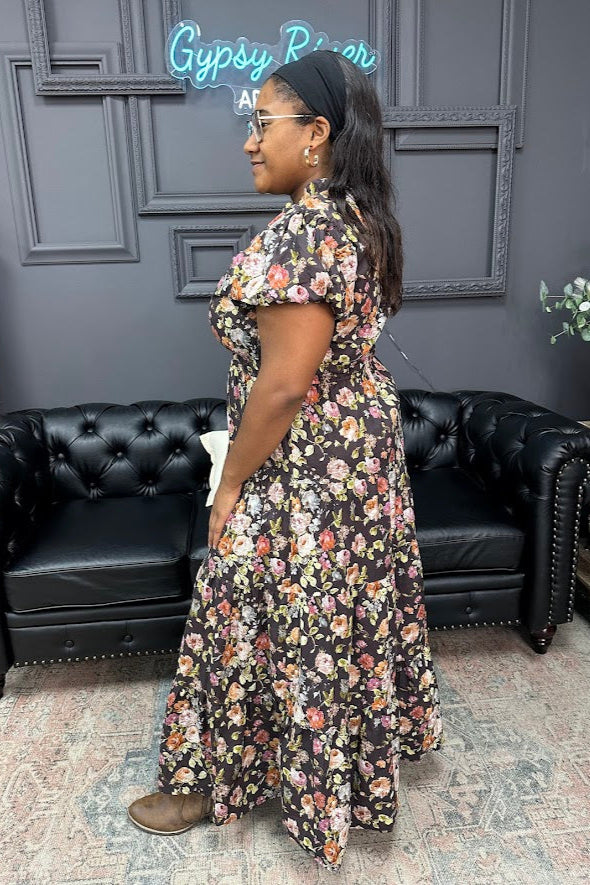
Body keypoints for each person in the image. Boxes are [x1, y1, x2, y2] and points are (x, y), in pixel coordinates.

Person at [127, 49, 443, 872]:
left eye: (261, 124)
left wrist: (228, 482)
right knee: (331, 621)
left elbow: (283, 387)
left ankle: (207, 782)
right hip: (360, 465)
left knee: (241, 616)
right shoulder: (362, 221)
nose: (249, 142)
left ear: (316, 134)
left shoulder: (302, 236)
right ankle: (322, 775)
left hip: (306, 471)